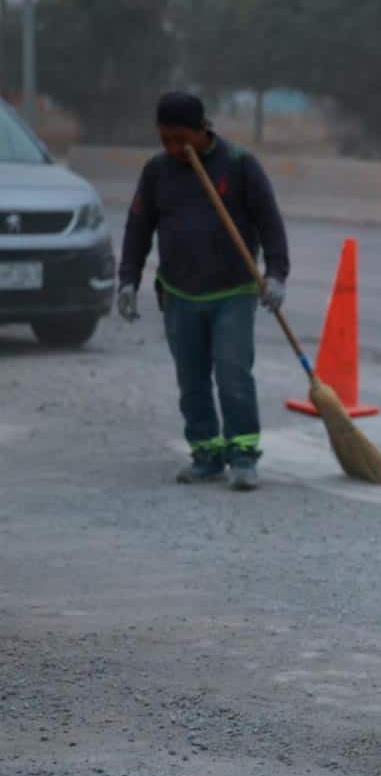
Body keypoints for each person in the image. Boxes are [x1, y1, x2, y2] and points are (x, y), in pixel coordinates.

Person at [117, 91, 289, 491]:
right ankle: (206, 454)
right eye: (166, 139)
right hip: (180, 294)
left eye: (181, 139)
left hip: (234, 292)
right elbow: (138, 227)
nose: (175, 148)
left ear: (202, 130)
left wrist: (277, 273)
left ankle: (243, 454)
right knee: (191, 380)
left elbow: (269, 222)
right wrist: (129, 280)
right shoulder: (157, 172)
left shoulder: (239, 165)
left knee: (233, 375)